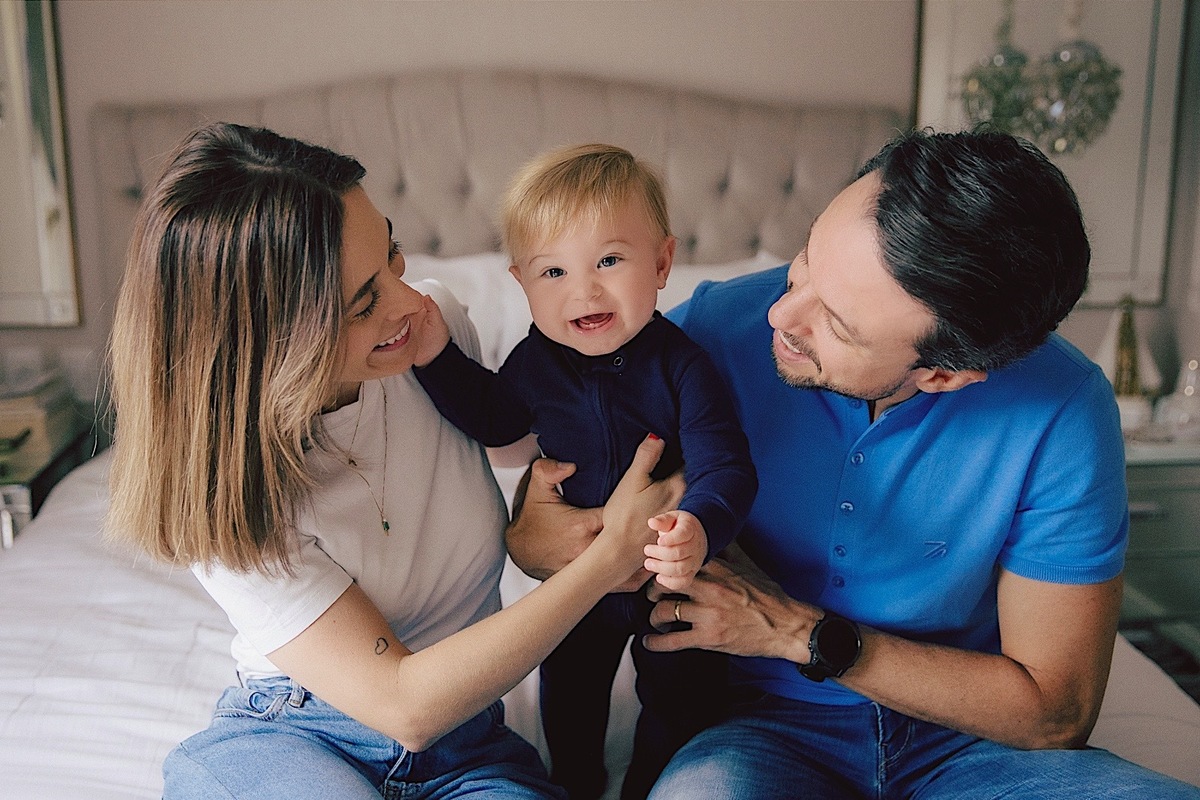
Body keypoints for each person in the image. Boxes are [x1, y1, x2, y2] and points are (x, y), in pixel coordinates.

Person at [506, 129, 1200, 799]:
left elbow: (1054, 713)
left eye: (836, 324)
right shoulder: (710, 330)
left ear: (944, 375)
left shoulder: (1064, 408)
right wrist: (532, 536)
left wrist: (798, 631)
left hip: (972, 741)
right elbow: (570, 483)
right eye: (805, 260)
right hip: (756, 731)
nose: (781, 315)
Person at [105, 122, 680, 800]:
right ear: (271, 344)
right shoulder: (221, 488)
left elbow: (537, 441)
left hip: (468, 749)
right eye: (362, 304)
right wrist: (605, 559)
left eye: (392, 254)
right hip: (298, 733)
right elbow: (406, 706)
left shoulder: (431, 335)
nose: (410, 301)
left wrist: (533, 523)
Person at [412, 143, 757, 800]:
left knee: (683, 698)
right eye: (554, 271)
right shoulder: (534, 363)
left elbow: (727, 467)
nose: (584, 289)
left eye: (609, 260)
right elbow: (494, 419)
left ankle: (648, 785)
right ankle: (576, 781)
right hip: (579, 583)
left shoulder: (683, 365)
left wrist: (699, 528)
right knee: (569, 695)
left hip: (670, 575)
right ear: (522, 283)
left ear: (662, 263)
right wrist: (435, 358)